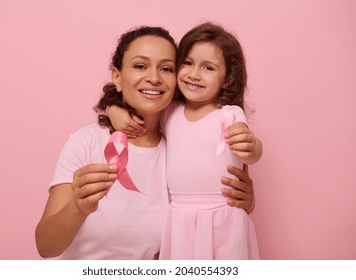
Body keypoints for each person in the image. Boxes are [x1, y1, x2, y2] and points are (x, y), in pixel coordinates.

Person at [35, 25, 255, 260]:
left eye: (166, 68)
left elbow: (222, 191)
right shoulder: (86, 142)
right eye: (140, 66)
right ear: (117, 77)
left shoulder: (181, 147)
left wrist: (246, 200)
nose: (153, 78)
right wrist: (77, 208)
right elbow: (46, 247)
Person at [107, 22, 262, 259]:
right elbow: (138, 108)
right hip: (179, 219)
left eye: (208, 68)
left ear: (228, 78)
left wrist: (251, 148)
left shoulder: (229, 114)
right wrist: (112, 109)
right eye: (187, 63)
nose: (194, 74)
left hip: (223, 218)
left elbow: (249, 146)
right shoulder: (170, 112)